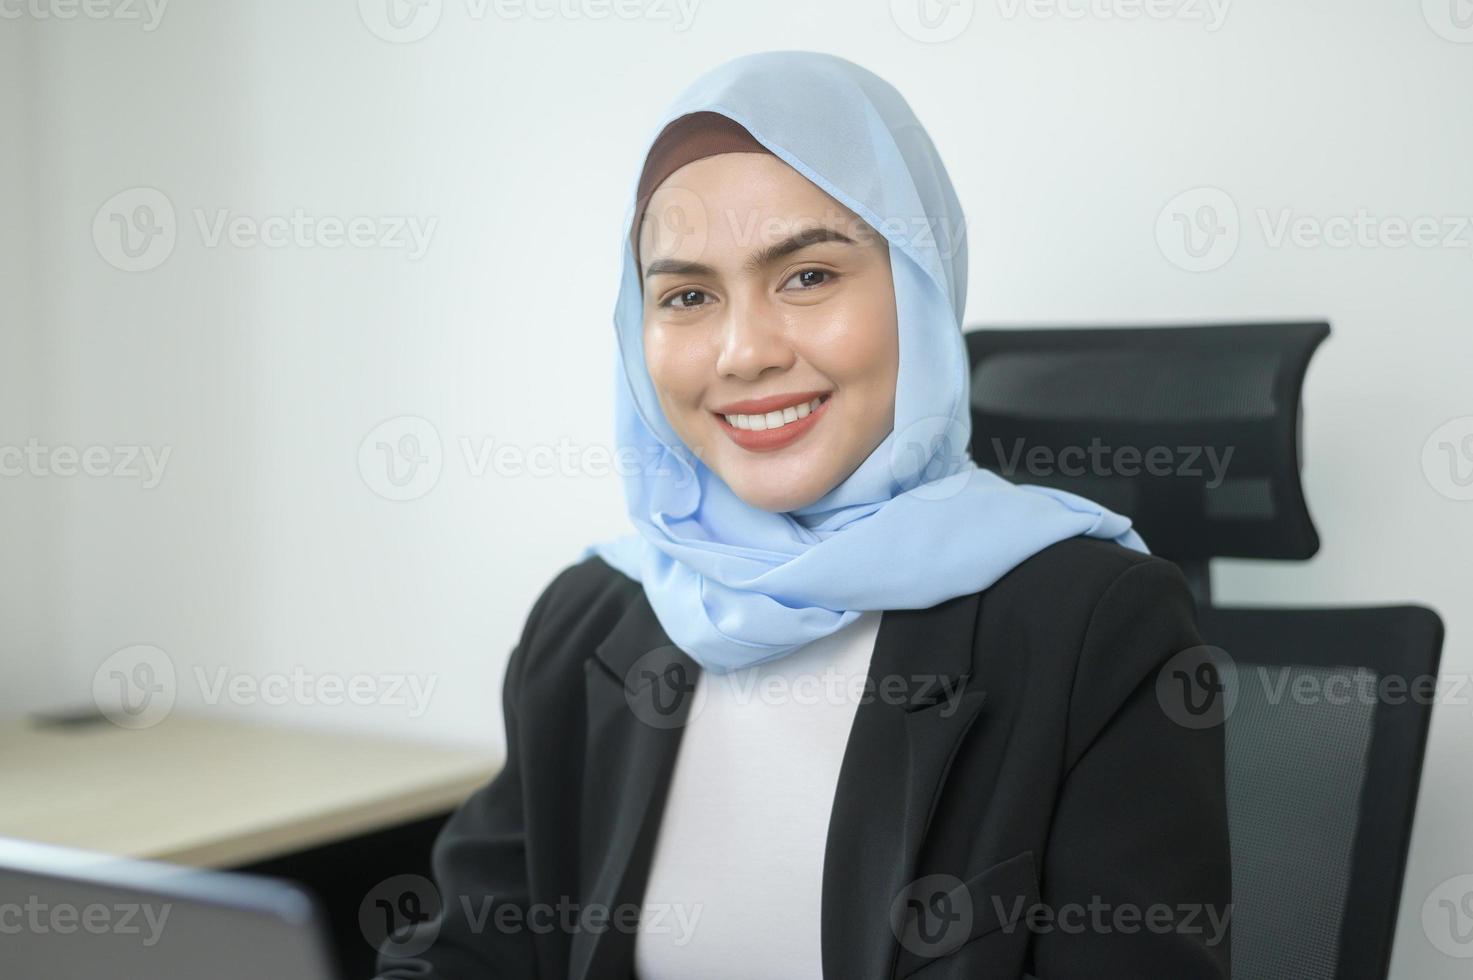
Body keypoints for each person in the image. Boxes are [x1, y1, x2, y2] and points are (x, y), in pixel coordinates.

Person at [376, 50, 1231, 980]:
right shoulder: (592, 618)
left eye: (808, 276)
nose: (742, 352)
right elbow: (469, 950)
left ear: (920, 290)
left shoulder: (1096, 624)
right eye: (688, 296)